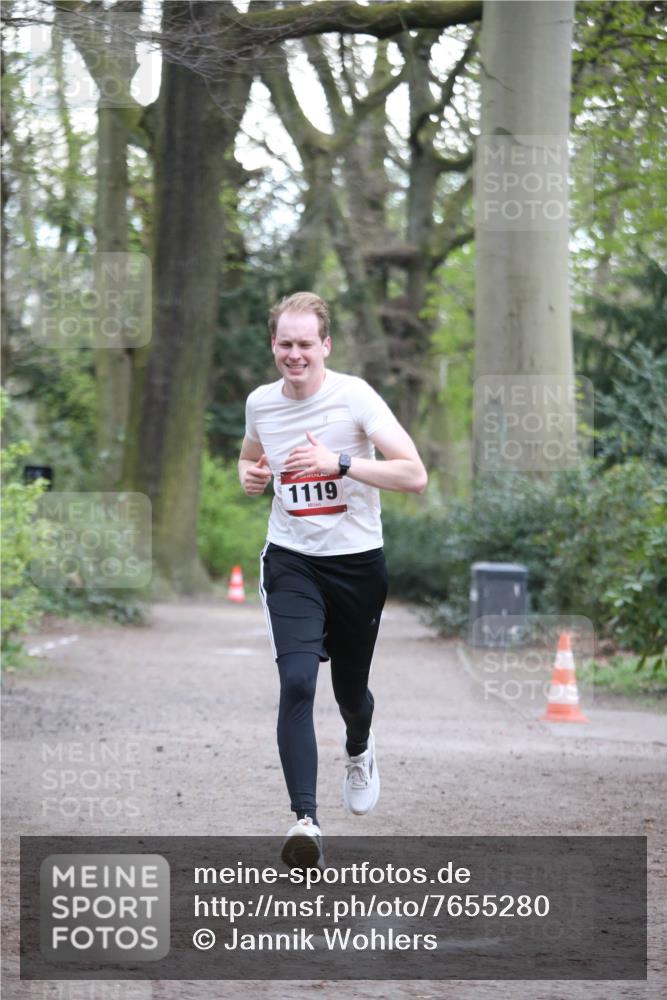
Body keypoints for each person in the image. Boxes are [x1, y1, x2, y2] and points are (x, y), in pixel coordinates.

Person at [238, 292, 427, 869]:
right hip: (291, 559)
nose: (294, 355)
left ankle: (359, 747)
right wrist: (250, 476)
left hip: (356, 564)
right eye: (285, 344)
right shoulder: (261, 403)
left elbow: (414, 475)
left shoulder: (355, 397)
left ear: (325, 345)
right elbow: (250, 458)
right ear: (273, 345)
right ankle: (306, 822)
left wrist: (340, 464)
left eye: (305, 344)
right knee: (297, 682)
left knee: (350, 693)